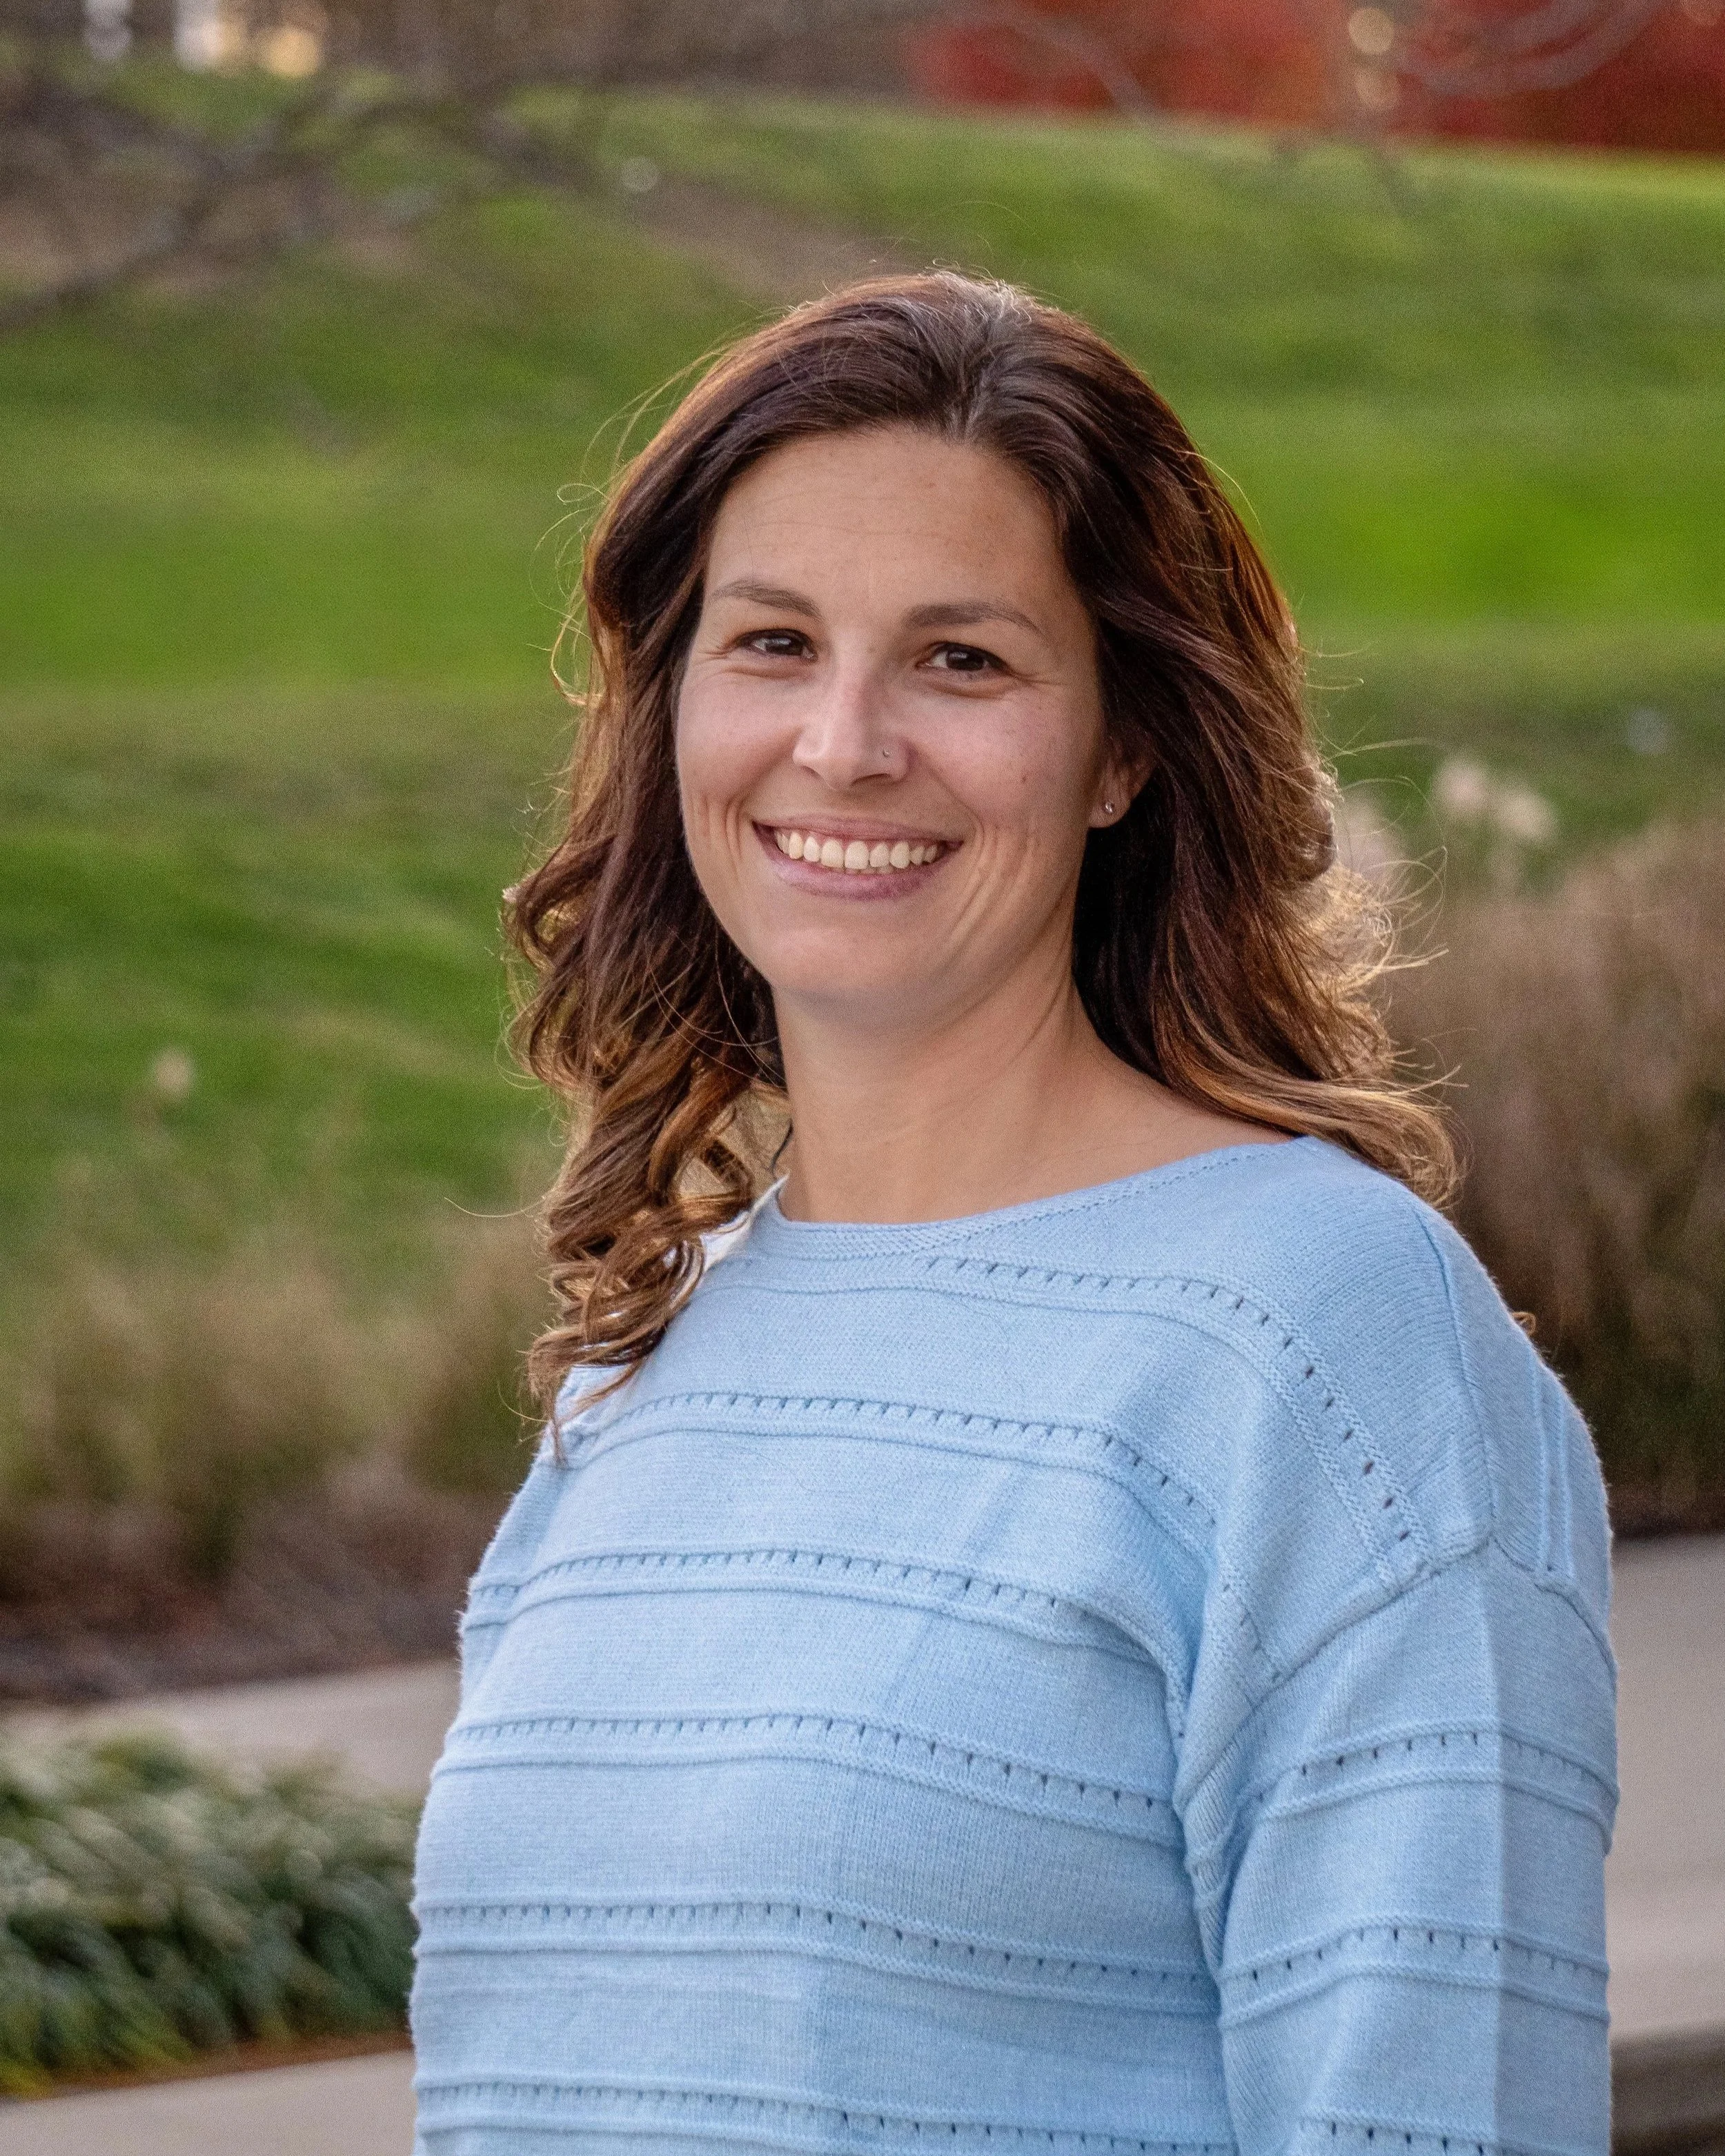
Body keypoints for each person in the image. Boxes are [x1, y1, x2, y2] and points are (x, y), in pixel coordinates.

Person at [410, 274, 1615, 2156]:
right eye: (772, 643)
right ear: (672, 711)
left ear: (1124, 744)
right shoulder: (640, 1381)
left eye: (961, 660)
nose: (845, 741)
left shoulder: (1327, 1343)